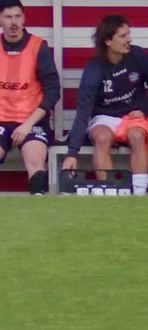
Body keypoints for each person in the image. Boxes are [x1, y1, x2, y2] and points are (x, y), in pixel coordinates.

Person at [61, 14, 148, 196]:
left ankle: (139, 193)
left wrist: (144, 109)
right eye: (123, 36)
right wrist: (72, 153)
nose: (129, 39)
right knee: (101, 138)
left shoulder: (138, 55)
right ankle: (109, 192)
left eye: (128, 34)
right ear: (108, 41)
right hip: (104, 117)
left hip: (133, 116)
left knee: (138, 136)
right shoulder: (94, 67)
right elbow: (83, 110)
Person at [0, 0, 60, 194]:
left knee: (35, 160)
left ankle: (39, 206)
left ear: (24, 18)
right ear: (0, 20)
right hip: (2, 120)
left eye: (18, 16)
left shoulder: (38, 46)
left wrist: (27, 125)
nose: (14, 22)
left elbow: (53, 91)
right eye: (8, 17)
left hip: (32, 121)